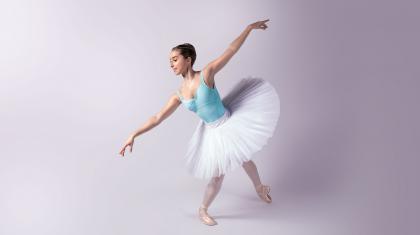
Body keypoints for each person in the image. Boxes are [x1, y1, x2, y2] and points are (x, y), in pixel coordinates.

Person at [119, 19, 280, 226]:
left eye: (175, 59)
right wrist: (134, 134)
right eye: (170, 61)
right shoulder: (178, 94)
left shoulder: (207, 74)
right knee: (218, 175)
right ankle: (203, 209)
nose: (171, 64)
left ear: (188, 59)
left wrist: (248, 29)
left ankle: (259, 188)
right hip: (212, 132)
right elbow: (157, 117)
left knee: (245, 158)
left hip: (228, 122)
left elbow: (231, 50)